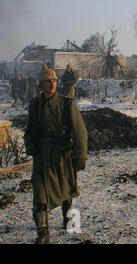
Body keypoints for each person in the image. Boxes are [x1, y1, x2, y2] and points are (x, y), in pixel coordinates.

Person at [24, 64, 88, 244]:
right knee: (39, 190)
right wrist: (30, 144)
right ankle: (43, 232)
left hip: (62, 153)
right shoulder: (35, 105)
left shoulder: (66, 104)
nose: (51, 85)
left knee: (66, 187)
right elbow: (30, 129)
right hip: (42, 154)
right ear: (41, 85)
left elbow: (79, 131)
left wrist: (81, 154)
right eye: (47, 82)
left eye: (53, 81)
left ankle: (68, 218)